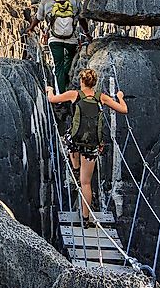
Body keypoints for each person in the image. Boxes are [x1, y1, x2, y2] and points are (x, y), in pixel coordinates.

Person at [46, 68, 128, 227]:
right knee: (86, 183)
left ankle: (75, 166)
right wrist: (120, 97)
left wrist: (49, 89)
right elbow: (124, 110)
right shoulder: (101, 97)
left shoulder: (74, 94)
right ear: (95, 83)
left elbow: (52, 99)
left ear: (82, 81)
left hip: (76, 141)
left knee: (68, 137)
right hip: (92, 145)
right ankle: (86, 218)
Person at [25, 0, 89, 93]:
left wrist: (31, 28)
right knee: (69, 62)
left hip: (55, 40)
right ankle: (68, 86)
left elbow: (38, 17)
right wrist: (87, 33)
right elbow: (81, 18)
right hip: (72, 39)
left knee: (58, 67)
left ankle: (62, 95)